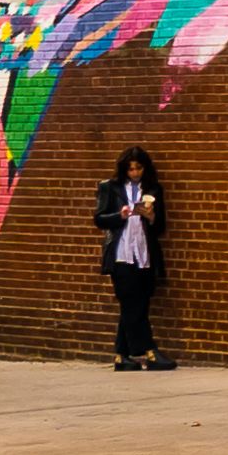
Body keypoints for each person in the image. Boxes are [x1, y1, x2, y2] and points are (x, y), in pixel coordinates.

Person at [97, 147, 174, 370]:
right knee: (131, 301)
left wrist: (151, 216)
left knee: (138, 303)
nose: (134, 173)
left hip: (144, 254)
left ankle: (121, 355)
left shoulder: (153, 190)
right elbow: (99, 219)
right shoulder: (110, 188)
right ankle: (149, 351)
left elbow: (161, 227)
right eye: (130, 169)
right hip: (121, 255)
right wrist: (118, 216)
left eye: (138, 168)